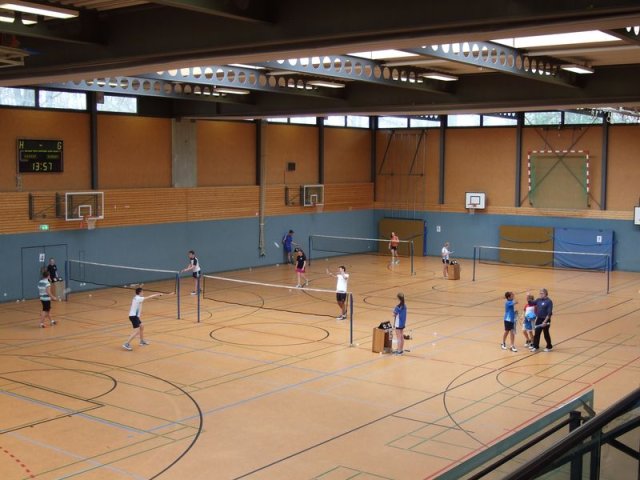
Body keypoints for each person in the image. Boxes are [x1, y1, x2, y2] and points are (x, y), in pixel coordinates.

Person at [530, 288, 553, 353]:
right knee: (537, 333)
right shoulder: (538, 300)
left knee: (546, 333)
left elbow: (549, 313)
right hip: (539, 319)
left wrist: (545, 321)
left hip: (545, 320)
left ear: (545, 293)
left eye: (542, 293)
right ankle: (535, 346)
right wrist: (528, 297)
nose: (540, 294)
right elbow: (531, 303)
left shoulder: (549, 301)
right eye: (540, 293)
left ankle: (549, 346)